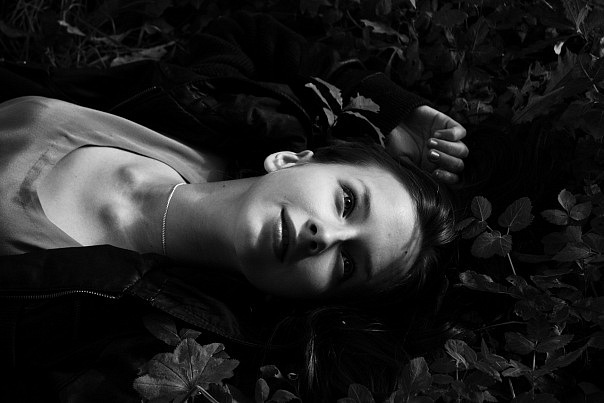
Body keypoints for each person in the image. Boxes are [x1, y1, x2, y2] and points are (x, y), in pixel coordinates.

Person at [0, 11, 467, 402]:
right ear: (291, 159)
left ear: (311, 299)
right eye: (347, 202)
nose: (325, 236)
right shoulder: (215, 108)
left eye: (347, 263)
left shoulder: (128, 341)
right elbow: (250, 30)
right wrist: (389, 106)